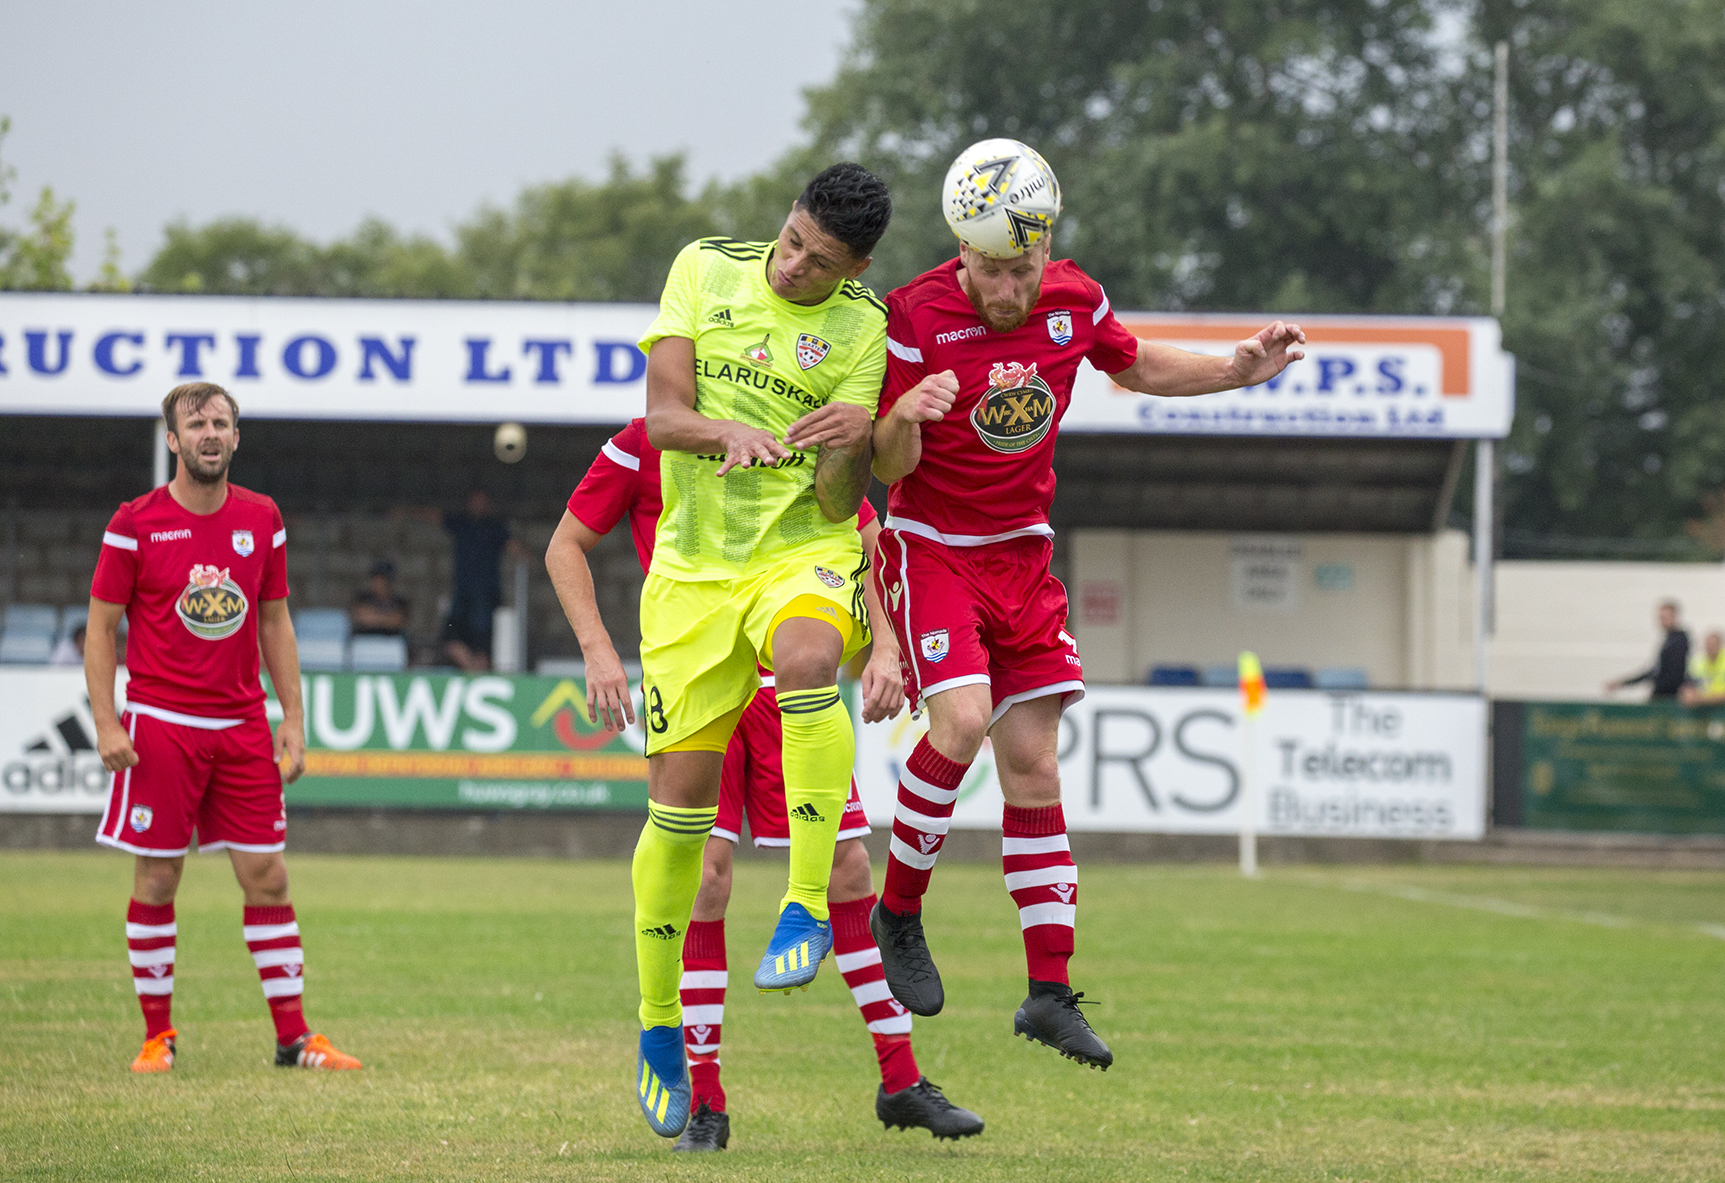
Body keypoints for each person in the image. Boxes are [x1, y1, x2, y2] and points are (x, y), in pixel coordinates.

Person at [865, 138, 1306, 1072]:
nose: (1006, 291)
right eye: (989, 271)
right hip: (934, 547)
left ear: (1043, 252)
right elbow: (883, 467)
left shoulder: (1076, 298)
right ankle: (898, 910)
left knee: (1033, 763)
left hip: (1023, 556)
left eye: (1020, 270)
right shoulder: (912, 315)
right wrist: (906, 417)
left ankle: (1047, 992)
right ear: (962, 255)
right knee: (967, 719)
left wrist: (1240, 368)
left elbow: (1135, 364)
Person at [546, 418, 982, 1151]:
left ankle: (901, 1080)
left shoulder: (790, 423)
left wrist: (883, 642)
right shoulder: (644, 441)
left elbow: (867, 536)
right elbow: (566, 544)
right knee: (705, 878)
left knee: (847, 869)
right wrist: (597, 651)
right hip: (701, 680)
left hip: (791, 681)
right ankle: (705, 1100)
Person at [622, 162, 897, 1139]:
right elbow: (661, 418)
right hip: (693, 577)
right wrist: (725, 430)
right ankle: (660, 1028)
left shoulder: (866, 329)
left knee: (813, 661)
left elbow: (838, 500)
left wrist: (855, 435)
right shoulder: (704, 266)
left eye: (819, 263)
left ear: (856, 265)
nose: (791, 267)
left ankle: (807, 903)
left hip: (799, 552)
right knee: (679, 822)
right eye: (790, 241)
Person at [85, 382, 360, 1075]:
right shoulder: (134, 521)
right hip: (162, 725)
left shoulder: (262, 517)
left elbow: (274, 619)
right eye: (196, 424)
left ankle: (294, 1039)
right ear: (173, 441)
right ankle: (157, 1035)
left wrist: (292, 717)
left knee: (267, 875)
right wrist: (105, 718)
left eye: (221, 422)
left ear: (236, 437)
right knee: (157, 877)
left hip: (241, 724)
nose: (210, 433)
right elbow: (100, 625)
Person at [436, 490, 521, 671]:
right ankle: (471, 669)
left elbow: (514, 547)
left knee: (483, 640)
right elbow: (435, 516)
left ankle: (479, 671)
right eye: (476, 500)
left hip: (487, 593)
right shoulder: (461, 523)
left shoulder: (494, 527)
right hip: (462, 593)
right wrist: (405, 511)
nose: (479, 505)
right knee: (450, 637)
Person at [1605, 599, 1690, 700]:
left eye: (1666, 617)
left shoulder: (1679, 640)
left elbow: (1672, 673)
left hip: (1668, 696)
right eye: (1661, 618)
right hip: (1662, 694)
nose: (1662, 621)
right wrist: (1623, 683)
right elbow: (1655, 671)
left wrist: (1658, 691)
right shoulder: (1668, 640)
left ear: (1675, 616)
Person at [1679, 629, 1725, 706]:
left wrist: (1701, 699)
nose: (1710, 648)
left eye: (1713, 645)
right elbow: (1688, 688)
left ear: (1721, 645)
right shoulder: (1698, 663)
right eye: (1708, 645)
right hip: (1708, 712)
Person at [349, 558, 410, 636]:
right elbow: (362, 617)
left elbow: (397, 621)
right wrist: (386, 618)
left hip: (391, 641)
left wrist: (374, 617)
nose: (378, 583)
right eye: (376, 579)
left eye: (382, 579)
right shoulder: (363, 597)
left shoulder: (399, 601)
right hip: (365, 640)